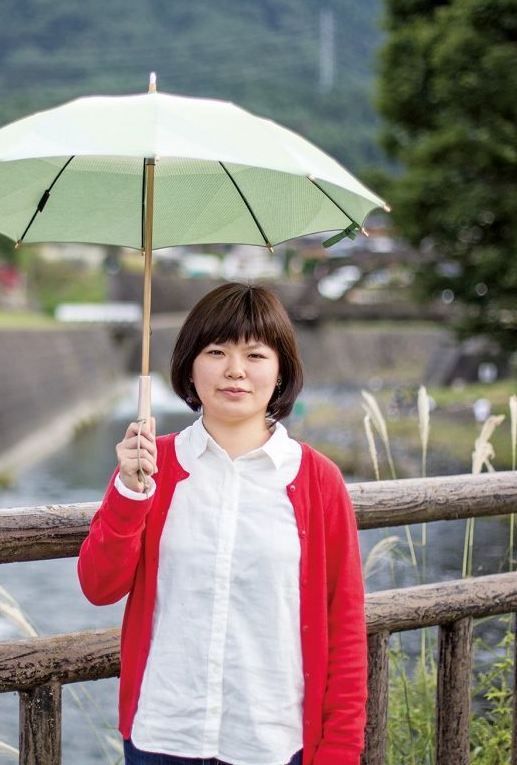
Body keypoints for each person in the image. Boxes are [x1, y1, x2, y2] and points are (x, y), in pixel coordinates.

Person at [77, 283, 367, 765]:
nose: (235, 370)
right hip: (163, 734)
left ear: (281, 371)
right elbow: (99, 586)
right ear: (191, 365)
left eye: (255, 354)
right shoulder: (153, 466)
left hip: (273, 742)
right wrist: (130, 493)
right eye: (216, 351)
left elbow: (346, 629)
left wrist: (339, 752)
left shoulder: (317, 482)